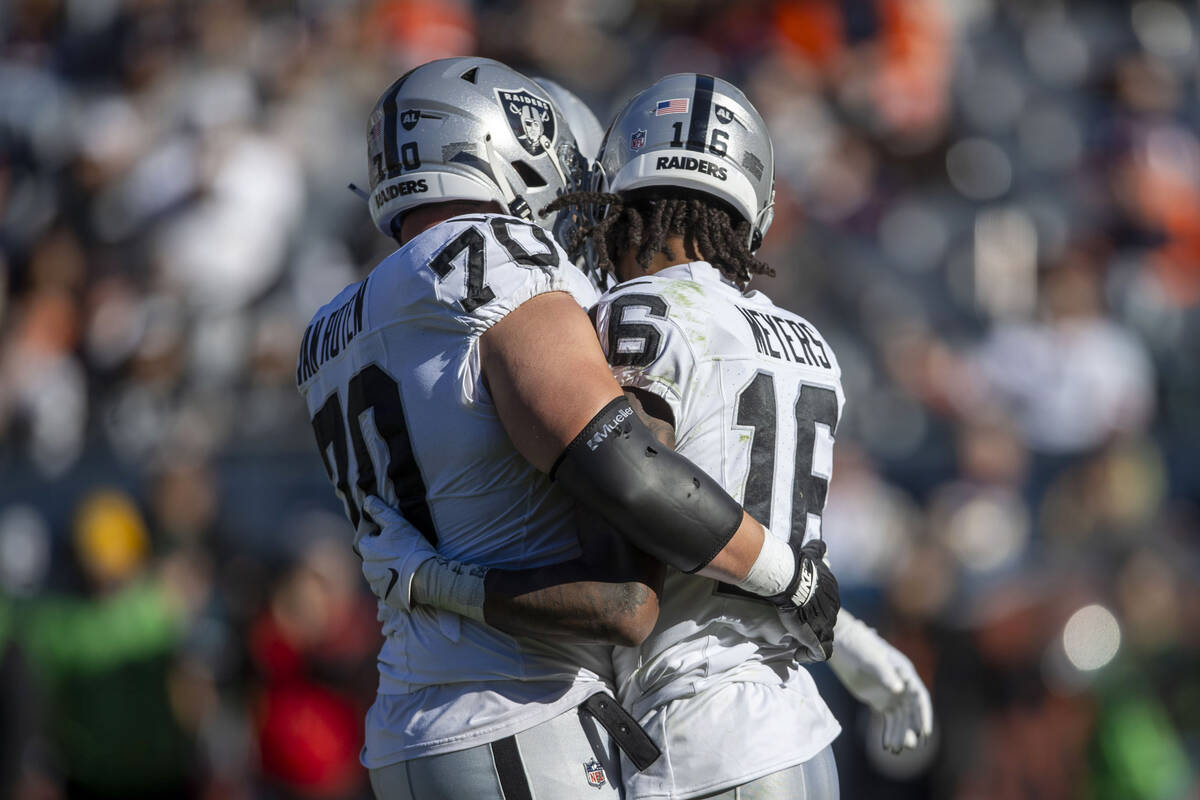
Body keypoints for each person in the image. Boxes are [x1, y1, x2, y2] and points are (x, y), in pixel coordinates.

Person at [366, 73, 933, 798]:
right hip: (797, 724)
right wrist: (843, 631)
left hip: (700, 739)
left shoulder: (637, 314)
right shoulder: (806, 340)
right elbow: (742, 531)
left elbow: (637, 526)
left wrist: (440, 584)